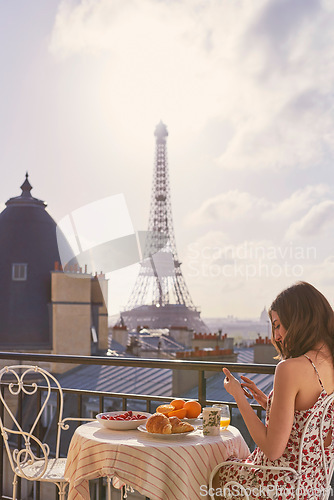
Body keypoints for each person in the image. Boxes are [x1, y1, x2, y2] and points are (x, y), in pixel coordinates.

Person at [212, 281, 334, 499]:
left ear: (299, 319)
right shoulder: (329, 363)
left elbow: (273, 450)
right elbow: (311, 425)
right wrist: (269, 404)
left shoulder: (290, 368)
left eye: (277, 325)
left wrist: (239, 396)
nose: (276, 336)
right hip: (312, 486)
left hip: (276, 484)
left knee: (214, 471)